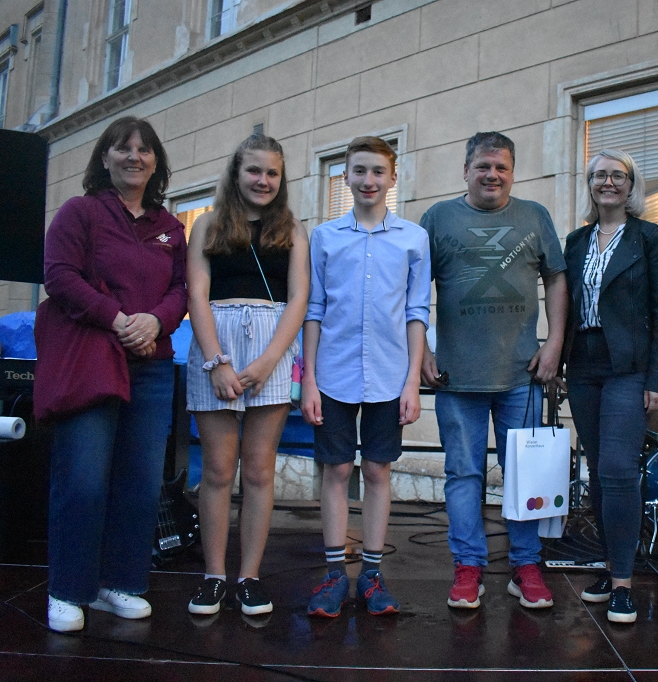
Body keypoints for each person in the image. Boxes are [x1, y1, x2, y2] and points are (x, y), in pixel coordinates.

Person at [40, 116, 188, 632]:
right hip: (93, 360)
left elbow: (182, 289)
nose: (134, 157)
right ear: (104, 158)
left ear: (156, 163)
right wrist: (118, 319)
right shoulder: (80, 212)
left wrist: (156, 321)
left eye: (144, 150)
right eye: (123, 148)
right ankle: (67, 590)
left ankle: (119, 583)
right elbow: (59, 275)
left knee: (141, 482)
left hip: (152, 365)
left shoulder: (170, 227)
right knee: (82, 479)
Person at [420, 131, 568, 610]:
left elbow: (556, 278)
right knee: (463, 474)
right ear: (466, 170)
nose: (492, 175)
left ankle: (526, 566)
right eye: (483, 166)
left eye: (501, 167)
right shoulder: (437, 218)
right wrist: (420, 350)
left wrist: (554, 344)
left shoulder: (534, 216)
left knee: (525, 474)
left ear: (512, 172)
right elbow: (413, 289)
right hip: (455, 377)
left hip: (522, 375)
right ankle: (468, 566)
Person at [301, 136, 430, 617]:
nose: (368, 180)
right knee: (335, 471)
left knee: (377, 471)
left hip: (390, 375)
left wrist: (412, 381)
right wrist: (308, 380)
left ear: (393, 178)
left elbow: (417, 311)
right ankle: (335, 574)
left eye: (378, 171)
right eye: (359, 171)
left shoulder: (414, 239)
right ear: (346, 177)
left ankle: (372, 576)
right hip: (333, 373)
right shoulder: (324, 237)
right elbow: (314, 310)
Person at [185, 135, 309, 617]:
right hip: (216, 344)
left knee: (259, 471)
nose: (263, 180)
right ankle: (214, 575)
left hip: (271, 346)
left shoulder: (293, 229)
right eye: (254, 170)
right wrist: (216, 361)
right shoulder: (208, 225)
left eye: (272, 173)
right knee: (218, 470)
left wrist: (269, 360)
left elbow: (298, 298)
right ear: (236, 173)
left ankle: (250, 576)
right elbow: (197, 294)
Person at [566, 150, 658, 623]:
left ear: (631, 185)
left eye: (618, 175)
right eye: (599, 175)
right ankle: (609, 564)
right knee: (598, 469)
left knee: (617, 468)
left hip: (628, 365)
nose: (608, 182)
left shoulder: (650, 238)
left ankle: (623, 584)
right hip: (582, 364)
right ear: (589, 183)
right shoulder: (576, 241)